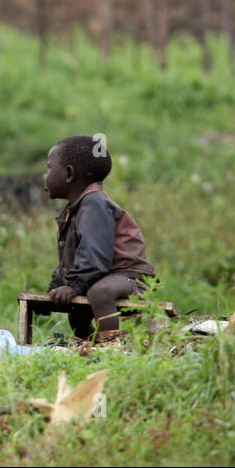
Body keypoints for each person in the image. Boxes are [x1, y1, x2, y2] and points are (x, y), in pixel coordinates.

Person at [42, 134, 155, 342]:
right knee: (77, 312)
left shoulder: (94, 204)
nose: (45, 175)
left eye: (49, 168)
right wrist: (56, 286)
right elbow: (70, 260)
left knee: (99, 293)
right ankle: (88, 344)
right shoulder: (73, 211)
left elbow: (95, 255)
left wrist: (75, 286)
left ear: (68, 174)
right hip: (103, 274)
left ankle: (109, 348)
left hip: (131, 278)